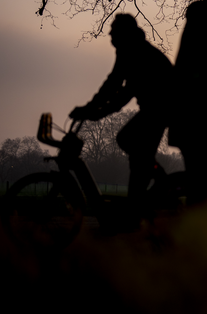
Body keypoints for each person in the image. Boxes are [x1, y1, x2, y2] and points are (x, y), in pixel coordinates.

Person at [70, 14, 173, 226]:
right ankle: (147, 191)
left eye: (113, 30)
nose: (109, 34)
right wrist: (91, 108)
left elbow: (125, 92)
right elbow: (113, 83)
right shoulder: (129, 49)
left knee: (131, 146)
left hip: (162, 109)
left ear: (123, 33)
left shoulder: (137, 52)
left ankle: (140, 206)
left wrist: (95, 111)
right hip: (155, 108)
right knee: (135, 151)